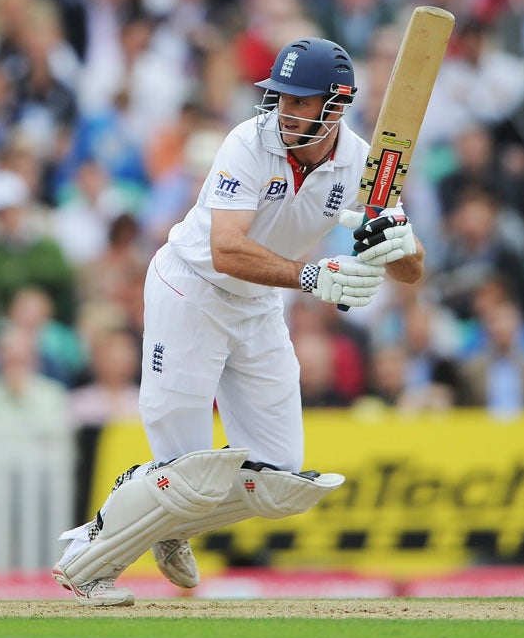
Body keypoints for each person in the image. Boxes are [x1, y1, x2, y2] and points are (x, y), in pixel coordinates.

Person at [50, 37, 425, 606]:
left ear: (336, 106)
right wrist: (309, 276)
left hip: (257, 306)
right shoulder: (248, 143)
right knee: (188, 473)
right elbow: (226, 249)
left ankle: (171, 525)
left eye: (303, 103)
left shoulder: (362, 164)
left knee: (279, 480)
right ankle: (87, 560)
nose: (287, 113)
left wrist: (403, 244)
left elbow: (409, 273)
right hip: (191, 291)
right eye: (282, 99)